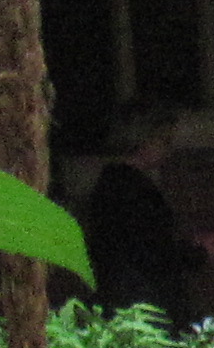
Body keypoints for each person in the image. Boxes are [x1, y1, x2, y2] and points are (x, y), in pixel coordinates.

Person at [81, 109, 193, 320]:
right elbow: (152, 251)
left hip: (122, 292)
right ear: (144, 140)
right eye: (164, 141)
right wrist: (196, 253)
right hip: (140, 297)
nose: (168, 150)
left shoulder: (111, 183)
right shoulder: (133, 190)